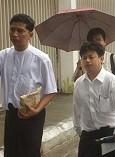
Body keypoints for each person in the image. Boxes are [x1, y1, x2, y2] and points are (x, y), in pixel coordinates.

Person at [0, 14, 57, 157]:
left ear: (30, 34)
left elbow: (51, 91)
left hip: (32, 115)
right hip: (11, 114)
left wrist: (36, 110)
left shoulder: (41, 59)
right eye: (12, 29)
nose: (14, 34)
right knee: (11, 152)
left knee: (30, 152)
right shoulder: (3, 56)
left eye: (20, 30)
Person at [73, 41, 115, 157]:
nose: (87, 61)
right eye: (84, 58)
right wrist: (80, 131)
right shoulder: (79, 84)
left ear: (101, 58)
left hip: (109, 135)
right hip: (88, 136)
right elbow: (77, 111)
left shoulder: (112, 82)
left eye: (91, 57)